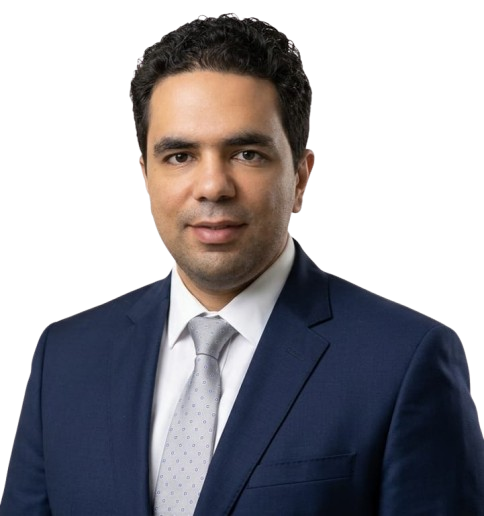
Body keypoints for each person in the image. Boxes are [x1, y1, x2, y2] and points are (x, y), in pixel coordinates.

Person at [1, 13, 482, 516]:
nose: (213, 186)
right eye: (180, 155)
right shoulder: (65, 357)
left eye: (247, 153)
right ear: (143, 172)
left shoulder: (405, 360)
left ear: (301, 177)